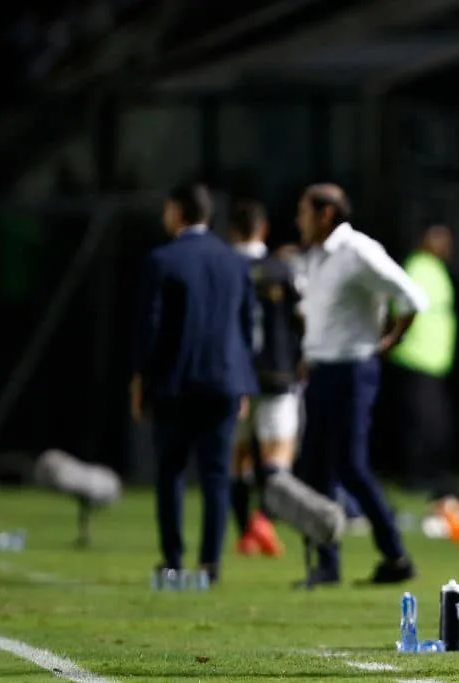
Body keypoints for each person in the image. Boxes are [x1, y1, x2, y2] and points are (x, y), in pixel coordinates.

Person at [292, 182, 427, 587]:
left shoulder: (358, 251)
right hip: (321, 370)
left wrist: (389, 341)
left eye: (304, 211)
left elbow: (412, 297)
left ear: (327, 214)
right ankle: (327, 565)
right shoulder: (318, 257)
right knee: (315, 472)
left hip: (352, 371)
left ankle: (396, 555)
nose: (298, 220)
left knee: (350, 466)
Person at [130, 183, 258, 584]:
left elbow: (150, 328)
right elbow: (246, 329)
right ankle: (211, 564)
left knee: (170, 471)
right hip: (223, 382)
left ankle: (172, 560)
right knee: (217, 474)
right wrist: (243, 384)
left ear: (178, 211)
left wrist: (140, 378)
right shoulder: (233, 262)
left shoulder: (162, 259)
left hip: (176, 382)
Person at [226, 200, 303, 558]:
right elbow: (302, 316)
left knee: (238, 459)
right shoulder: (281, 269)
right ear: (264, 229)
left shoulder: (223, 267)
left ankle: (245, 531)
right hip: (276, 373)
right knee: (279, 457)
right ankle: (262, 520)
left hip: (233, 376)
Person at [385, 224, 458, 493]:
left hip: (433, 361)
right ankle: (415, 477)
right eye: (441, 241)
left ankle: (431, 474)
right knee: (419, 424)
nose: (447, 247)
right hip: (416, 358)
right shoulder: (418, 267)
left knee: (433, 422)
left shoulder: (434, 269)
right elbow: (403, 306)